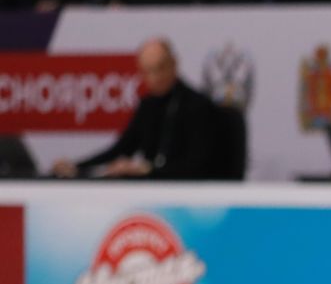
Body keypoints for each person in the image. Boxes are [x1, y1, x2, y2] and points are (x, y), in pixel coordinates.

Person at [50, 38, 227, 179]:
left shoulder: (198, 105)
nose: (155, 77)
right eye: (148, 71)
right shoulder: (148, 105)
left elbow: (198, 165)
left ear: (174, 64)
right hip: (148, 189)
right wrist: (76, 167)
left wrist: (148, 171)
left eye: (160, 68)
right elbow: (120, 150)